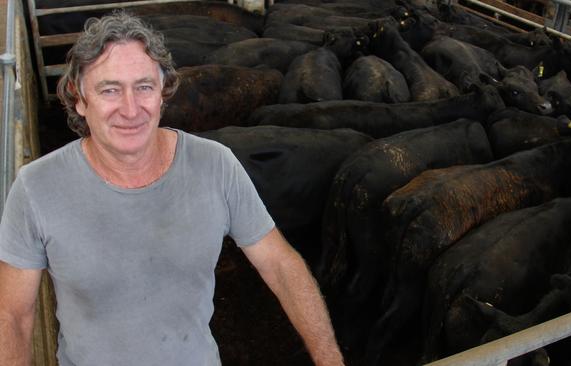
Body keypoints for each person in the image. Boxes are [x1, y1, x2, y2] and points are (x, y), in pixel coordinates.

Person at [0, 11, 344, 366]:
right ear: (79, 99)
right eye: (110, 90)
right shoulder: (36, 187)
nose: (130, 109)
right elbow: (12, 315)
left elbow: (280, 264)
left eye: (144, 86)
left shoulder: (215, 165)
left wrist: (329, 358)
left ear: (162, 94)